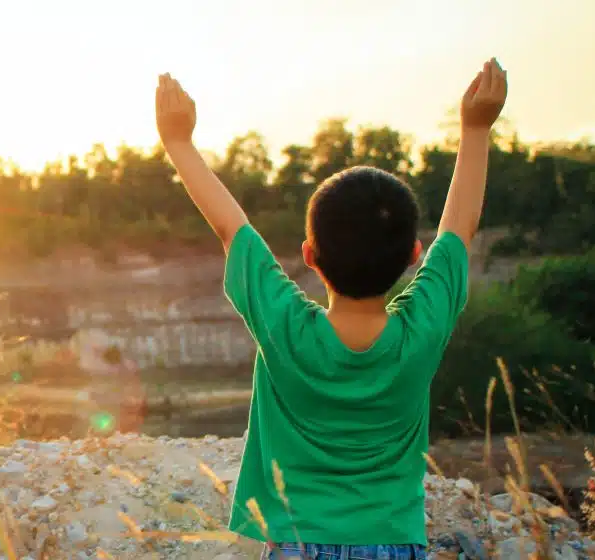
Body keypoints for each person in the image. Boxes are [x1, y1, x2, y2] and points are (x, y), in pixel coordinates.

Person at [153, 58, 508, 559]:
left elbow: (231, 227)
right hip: (394, 543)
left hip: (295, 544)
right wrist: (476, 129)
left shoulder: (285, 326)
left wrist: (178, 142)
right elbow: (459, 230)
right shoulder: (422, 331)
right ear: (414, 255)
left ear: (309, 256)